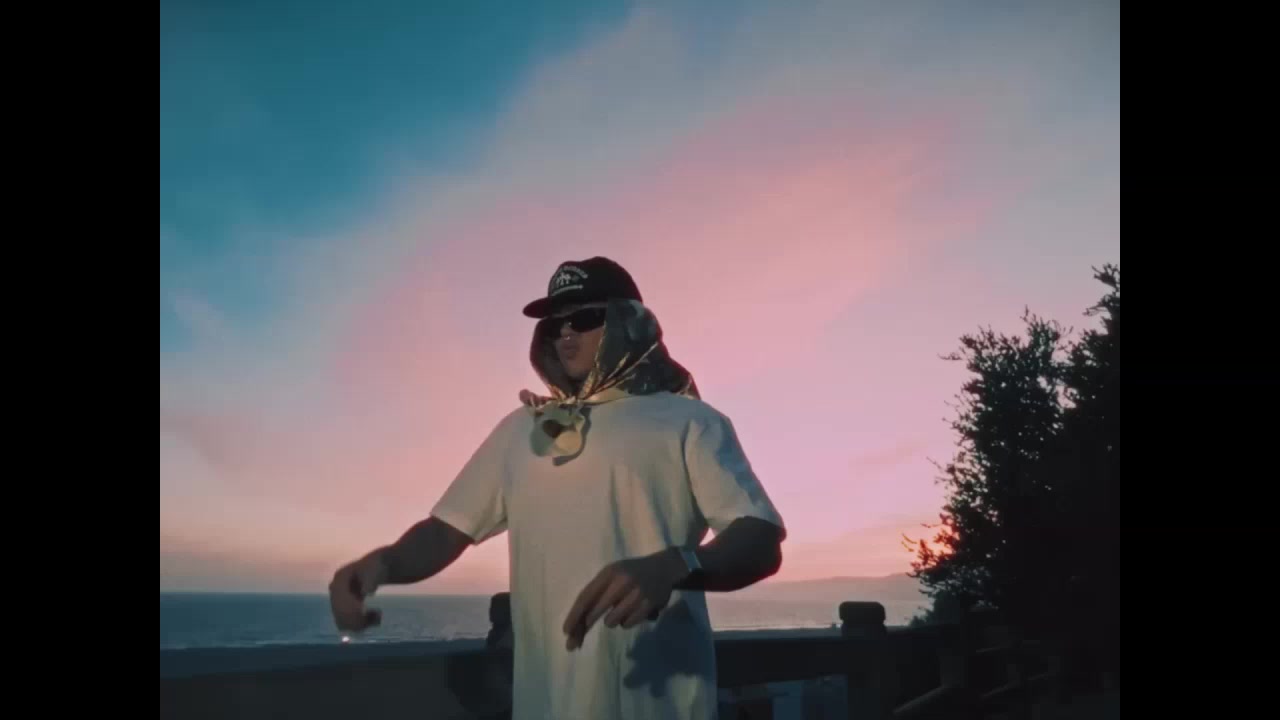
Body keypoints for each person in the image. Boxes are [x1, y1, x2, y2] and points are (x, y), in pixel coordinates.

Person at [329, 256, 786, 720]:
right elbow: (447, 530)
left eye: (585, 318)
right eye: (554, 324)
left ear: (629, 322)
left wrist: (678, 564)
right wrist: (382, 564)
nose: (565, 332)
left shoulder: (691, 421)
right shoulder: (522, 430)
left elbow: (760, 539)